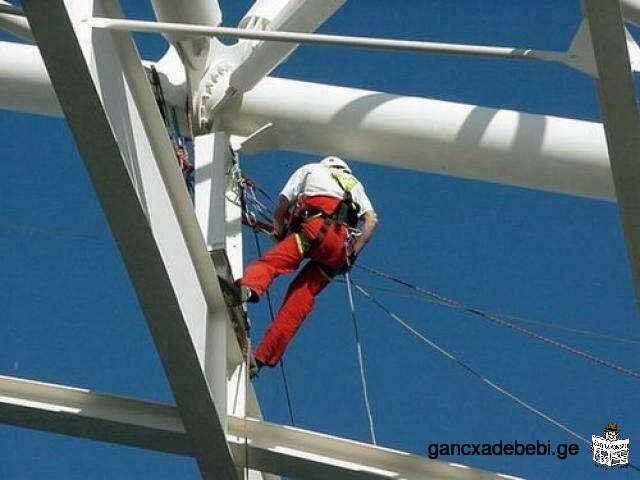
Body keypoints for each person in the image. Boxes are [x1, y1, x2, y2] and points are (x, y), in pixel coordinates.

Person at [238, 156, 378, 377]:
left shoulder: (312, 169)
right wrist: (352, 254)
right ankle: (262, 359)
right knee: (299, 301)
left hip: (314, 230)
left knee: (272, 263)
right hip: (337, 251)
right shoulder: (355, 185)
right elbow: (371, 222)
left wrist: (280, 233)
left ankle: (247, 289)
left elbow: (281, 209)